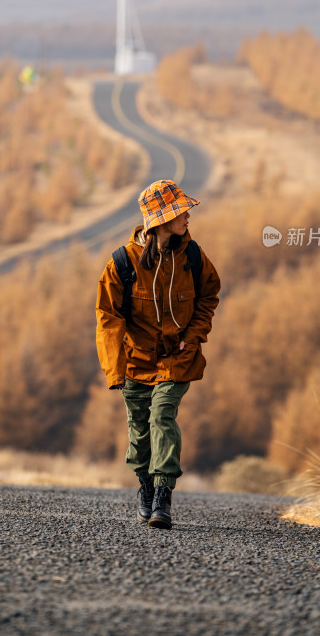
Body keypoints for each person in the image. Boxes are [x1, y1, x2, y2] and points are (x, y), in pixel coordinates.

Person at [95, 179, 220, 529]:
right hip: (136, 360)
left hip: (177, 358)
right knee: (139, 428)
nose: (187, 216)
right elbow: (108, 318)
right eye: (181, 211)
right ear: (160, 219)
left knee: (161, 416)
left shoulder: (192, 256)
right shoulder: (122, 262)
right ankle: (146, 487)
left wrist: (193, 337)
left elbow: (209, 296)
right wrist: (114, 369)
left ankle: (163, 495)